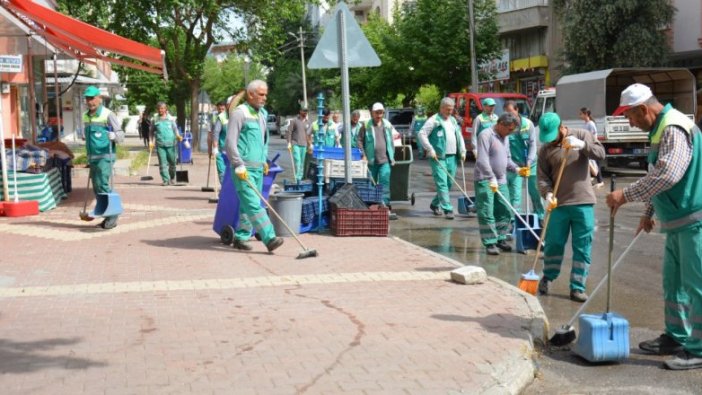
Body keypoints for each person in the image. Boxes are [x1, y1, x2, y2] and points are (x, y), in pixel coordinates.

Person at [606, 83, 702, 370]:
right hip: (676, 222)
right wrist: (648, 211)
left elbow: (670, 174)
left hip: (694, 221)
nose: (629, 123)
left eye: (630, 117)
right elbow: (659, 174)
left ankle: (698, 349)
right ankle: (676, 336)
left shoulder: (674, 127)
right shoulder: (659, 129)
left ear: (643, 109)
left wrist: (625, 195)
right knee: (674, 285)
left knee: (696, 286)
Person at [536, 112, 605, 303]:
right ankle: (547, 277)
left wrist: (583, 146)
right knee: (553, 243)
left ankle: (577, 287)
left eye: (553, 136)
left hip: (583, 202)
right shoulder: (544, 151)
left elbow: (601, 154)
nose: (550, 141)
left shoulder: (582, 135)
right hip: (558, 204)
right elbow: (542, 178)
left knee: (582, 247)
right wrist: (547, 194)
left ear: (561, 127)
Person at [226, 79, 284, 253]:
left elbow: (262, 141)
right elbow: (230, 143)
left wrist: (264, 161)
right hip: (243, 169)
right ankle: (269, 237)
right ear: (250, 94)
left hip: (258, 168)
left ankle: (241, 237)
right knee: (253, 204)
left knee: (247, 205)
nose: (264, 98)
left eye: (266, 94)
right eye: (261, 94)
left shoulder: (262, 114)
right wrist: (238, 164)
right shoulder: (240, 113)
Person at [473, 112, 520, 255]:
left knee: (505, 209)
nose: (510, 133)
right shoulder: (486, 136)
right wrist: (490, 177)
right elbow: (482, 159)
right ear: (500, 124)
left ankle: (500, 237)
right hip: (485, 179)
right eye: (509, 129)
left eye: (512, 130)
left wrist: (517, 168)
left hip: (501, 179)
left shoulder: (505, 138)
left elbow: (507, 158)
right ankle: (490, 242)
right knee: (487, 211)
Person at [82, 85, 123, 230]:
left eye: (92, 98)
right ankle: (106, 214)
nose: (89, 101)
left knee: (103, 186)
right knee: (97, 187)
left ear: (99, 98)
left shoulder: (108, 114)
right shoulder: (86, 115)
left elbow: (120, 135)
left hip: (105, 156)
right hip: (93, 157)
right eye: (87, 98)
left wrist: (114, 136)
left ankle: (113, 216)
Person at [418, 97, 466, 220]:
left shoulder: (453, 120)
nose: (450, 112)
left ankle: (434, 204)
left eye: (451, 110)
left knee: (449, 183)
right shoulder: (434, 120)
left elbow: (459, 135)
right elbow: (421, 134)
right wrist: (430, 149)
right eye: (448, 110)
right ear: (441, 108)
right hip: (438, 157)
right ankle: (448, 209)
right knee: (442, 183)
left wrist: (462, 150)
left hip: (452, 156)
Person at [505, 100, 545, 222]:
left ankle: (539, 216)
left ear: (517, 110)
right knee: (515, 195)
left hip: (531, 164)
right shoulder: (507, 126)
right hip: (515, 166)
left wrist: (529, 160)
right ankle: (516, 220)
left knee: (535, 192)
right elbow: (505, 148)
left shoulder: (528, 124)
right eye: (507, 114)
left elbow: (533, 144)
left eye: (511, 112)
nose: (509, 116)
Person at [357, 102, 397, 218]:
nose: (379, 115)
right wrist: (363, 154)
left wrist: (392, 156)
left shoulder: (387, 124)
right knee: (371, 183)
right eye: (377, 113)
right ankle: (373, 204)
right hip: (371, 160)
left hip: (385, 160)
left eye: (381, 113)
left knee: (384, 182)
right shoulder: (366, 125)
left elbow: (391, 141)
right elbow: (359, 140)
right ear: (372, 113)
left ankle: (385, 205)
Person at [149, 102, 182, 186]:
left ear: (166, 109)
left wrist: (178, 135)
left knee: (172, 163)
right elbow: (151, 132)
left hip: (171, 144)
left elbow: (175, 129)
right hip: (160, 145)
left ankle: (172, 178)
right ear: (157, 109)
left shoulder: (170, 118)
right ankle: (165, 180)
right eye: (159, 108)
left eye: (163, 108)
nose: (161, 110)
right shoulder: (155, 119)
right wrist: (150, 141)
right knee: (162, 163)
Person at [580, 107, 605, 188]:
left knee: (596, 164)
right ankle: (592, 178)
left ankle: (600, 181)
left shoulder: (591, 124)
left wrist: (590, 145)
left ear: (586, 114)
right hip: (588, 145)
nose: (580, 116)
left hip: (592, 146)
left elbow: (593, 136)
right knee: (591, 163)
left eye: (581, 114)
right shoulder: (585, 124)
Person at [287, 106, 311, 182]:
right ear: (300, 111)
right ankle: (297, 178)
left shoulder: (308, 122)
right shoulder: (294, 121)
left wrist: (310, 144)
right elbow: (289, 132)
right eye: (304, 111)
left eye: (306, 111)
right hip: (295, 143)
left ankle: (300, 178)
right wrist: (289, 143)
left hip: (304, 144)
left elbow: (309, 134)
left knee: (302, 162)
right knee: (298, 161)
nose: (305, 113)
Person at [211, 101, 229, 183]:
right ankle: (224, 190)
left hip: (233, 150)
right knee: (222, 171)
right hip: (222, 149)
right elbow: (215, 133)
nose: (221, 110)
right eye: (219, 109)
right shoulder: (217, 118)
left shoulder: (235, 116)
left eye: (223, 109)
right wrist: (214, 148)